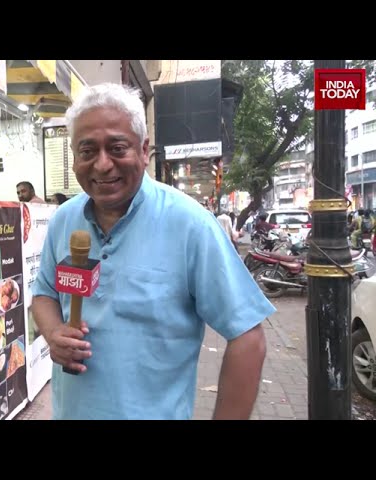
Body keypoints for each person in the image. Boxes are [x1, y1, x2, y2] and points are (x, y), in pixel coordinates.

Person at [31, 83, 275, 420]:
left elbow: (248, 337)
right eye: (87, 151)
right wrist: (53, 331)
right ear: (74, 157)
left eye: (117, 148)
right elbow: (43, 293)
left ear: (144, 151)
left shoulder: (191, 225)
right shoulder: (63, 221)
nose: (102, 165)